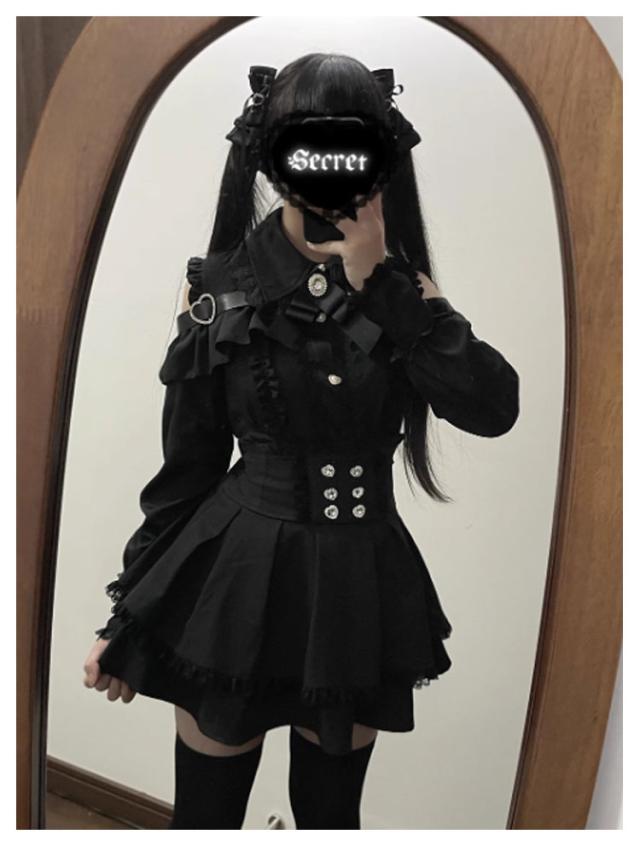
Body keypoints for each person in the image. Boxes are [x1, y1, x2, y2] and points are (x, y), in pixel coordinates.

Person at [82, 53, 520, 830]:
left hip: (359, 588)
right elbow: (187, 468)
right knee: (205, 819)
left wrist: (383, 287)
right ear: (270, 158)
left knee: (331, 819)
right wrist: (128, 615)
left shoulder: (407, 294)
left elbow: (494, 408)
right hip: (235, 583)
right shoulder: (220, 289)